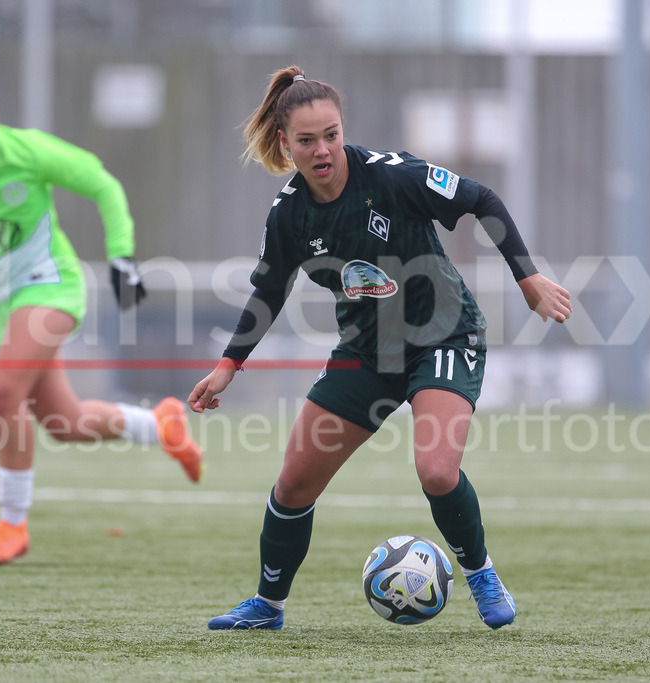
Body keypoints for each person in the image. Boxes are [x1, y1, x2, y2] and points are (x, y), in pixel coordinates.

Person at [190, 66, 571, 630]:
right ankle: (268, 606)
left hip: (444, 335)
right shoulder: (289, 214)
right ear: (284, 143)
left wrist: (528, 278)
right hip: (366, 351)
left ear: (343, 130)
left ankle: (481, 572)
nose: (322, 150)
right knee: (293, 483)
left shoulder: (392, 176)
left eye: (331, 135)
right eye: (307, 140)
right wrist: (228, 366)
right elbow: (269, 291)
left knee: (436, 471)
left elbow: (482, 199)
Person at [0, 72, 203, 565]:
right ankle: (160, 425)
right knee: (64, 422)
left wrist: (121, 255)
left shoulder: (27, 150)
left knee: (2, 389)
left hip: (52, 286)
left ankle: (12, 524)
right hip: (0, 304)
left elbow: (102, 184)